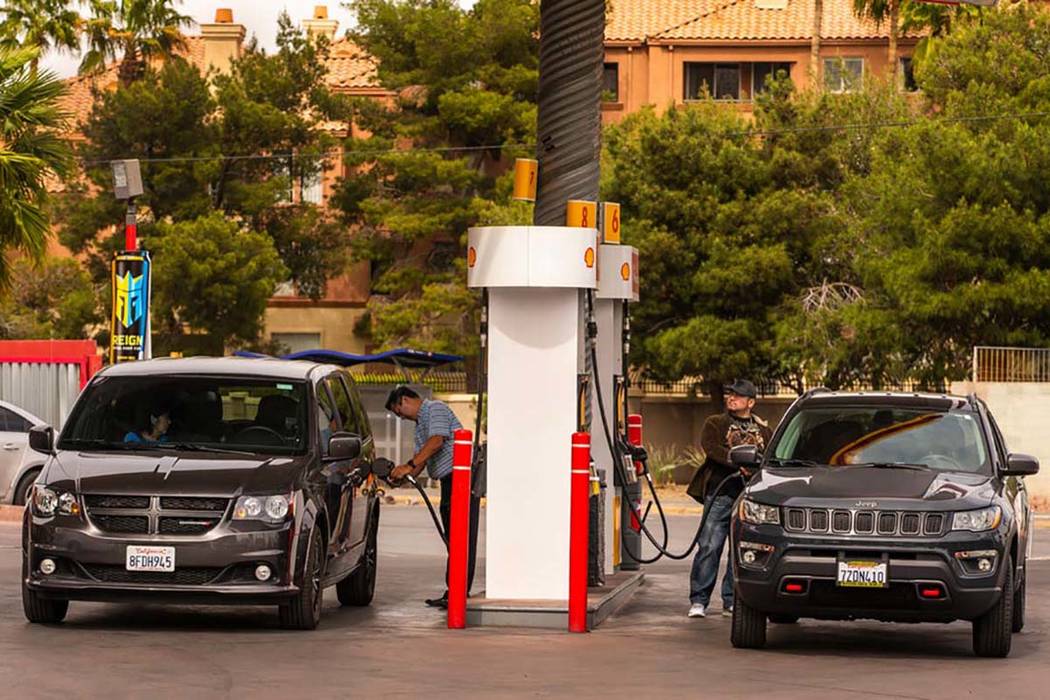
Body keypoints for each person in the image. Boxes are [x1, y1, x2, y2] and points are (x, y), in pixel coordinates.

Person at [386, 386, 480, 609]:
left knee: (460, 536)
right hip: (449, 481)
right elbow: (423, 460)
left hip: (460, 477)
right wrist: (402, 477)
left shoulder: (435, 409)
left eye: (399, 412)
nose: (401, 417)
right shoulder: (420, 426)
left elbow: (437, 441)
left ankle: (458, 591)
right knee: (452, 536)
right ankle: (454, 590)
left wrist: (408, 466)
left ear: (405, 400)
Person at [687, 379, 772, 619]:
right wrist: (738, 463)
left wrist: (752, 470)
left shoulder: (764, 430)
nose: (731, 398)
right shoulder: (715, 423)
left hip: (748, 498)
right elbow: (711, 448)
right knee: (709, 546)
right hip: (720, 494)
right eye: (729, 394)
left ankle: (732, 599)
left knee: (740, 550)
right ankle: (699, 600)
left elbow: (769, 457)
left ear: (751, 402)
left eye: (737, 396)